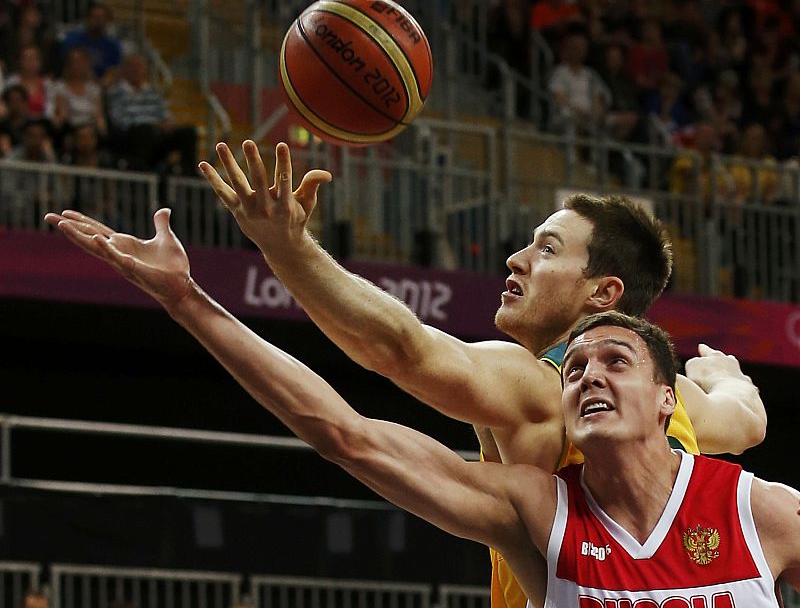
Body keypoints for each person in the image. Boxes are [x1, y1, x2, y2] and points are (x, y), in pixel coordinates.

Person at [39, 211, 800, 605]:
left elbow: (403, 347)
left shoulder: (756, 512)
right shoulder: (541, 512)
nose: (585, 376)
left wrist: (289, 251)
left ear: (666, 397)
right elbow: (347, 435)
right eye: (574, 368)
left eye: (614, 361)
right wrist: (188, 300)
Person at [197, 141, 767, 608]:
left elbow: (400, 349)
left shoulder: (539, 385)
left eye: (546, 249)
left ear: (603, 292)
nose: (516, 259)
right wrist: (724, 374)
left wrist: (288, 248)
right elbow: (747, 421)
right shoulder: (675, 397)